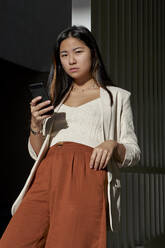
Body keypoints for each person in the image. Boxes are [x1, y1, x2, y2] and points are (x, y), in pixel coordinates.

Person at [0, 25, 140, 248]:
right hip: (47, 173)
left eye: (78, 52)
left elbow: (133, 151)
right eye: (64, 55)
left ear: (92, 53)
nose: (71, 60)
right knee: (13, 242)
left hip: (85, 174)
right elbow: (37, 153)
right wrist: (36, 125)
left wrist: (112, 145)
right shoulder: (56, 98)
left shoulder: (117, 97)